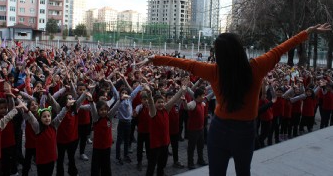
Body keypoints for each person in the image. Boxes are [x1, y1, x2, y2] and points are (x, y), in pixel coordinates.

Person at [140, 23, 331, 175]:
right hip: (245, 131)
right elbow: (281, 49)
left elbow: (186, 64)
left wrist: (155, 59)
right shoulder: (256, 67)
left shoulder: (214, 71)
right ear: (240, 50)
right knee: (243, 172)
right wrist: (308, 32)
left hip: (219, 129)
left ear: (219, 55)